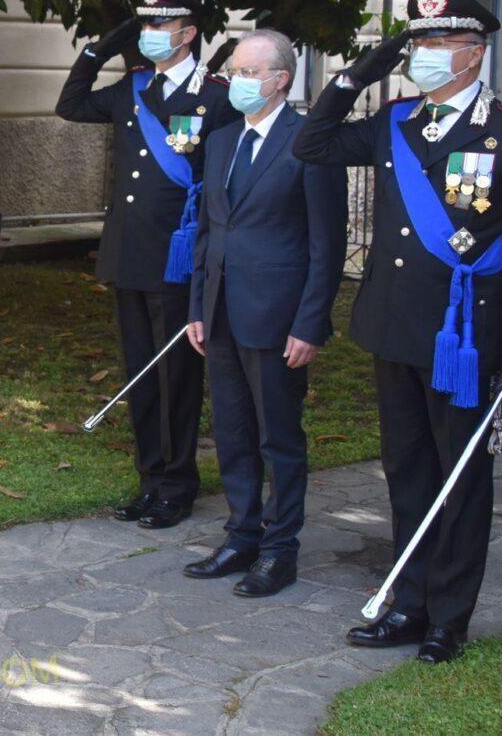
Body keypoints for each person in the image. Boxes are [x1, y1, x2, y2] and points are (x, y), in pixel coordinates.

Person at [292, 0, 502, 663]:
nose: (424, 54)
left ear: (474, 51)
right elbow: (312, 145)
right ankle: (407, 603)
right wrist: (352, 77)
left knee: (461, 478)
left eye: (438, 42)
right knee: (406, 469)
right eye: (417, 42)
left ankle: (448, 617)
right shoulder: (396, 121)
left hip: (463, 335)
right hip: (392, 323)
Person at [56, 0, 238, 529]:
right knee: (140, 372)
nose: (150, 34)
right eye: (145, 24)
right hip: (131, 254)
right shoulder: (133, 87)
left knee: (176, 376)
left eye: (160, 25)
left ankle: (178, 484)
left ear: (188, 32)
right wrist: (100, 48)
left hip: (179, 257)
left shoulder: (217, 97)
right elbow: (71, 105)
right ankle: (150, 479)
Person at [184, 30, 346, 596]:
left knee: (279, 438)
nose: (237, 81)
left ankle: (280, 549)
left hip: (278, 319)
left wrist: (310, 322)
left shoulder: (310, 143)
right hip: (221, 314)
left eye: (250, 72)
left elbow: (328, 245)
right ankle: (241, 535)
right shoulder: (223, 139)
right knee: (231, 430)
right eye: (234, 70)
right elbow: (209, 231)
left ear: (281, 81)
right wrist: (196, 307)